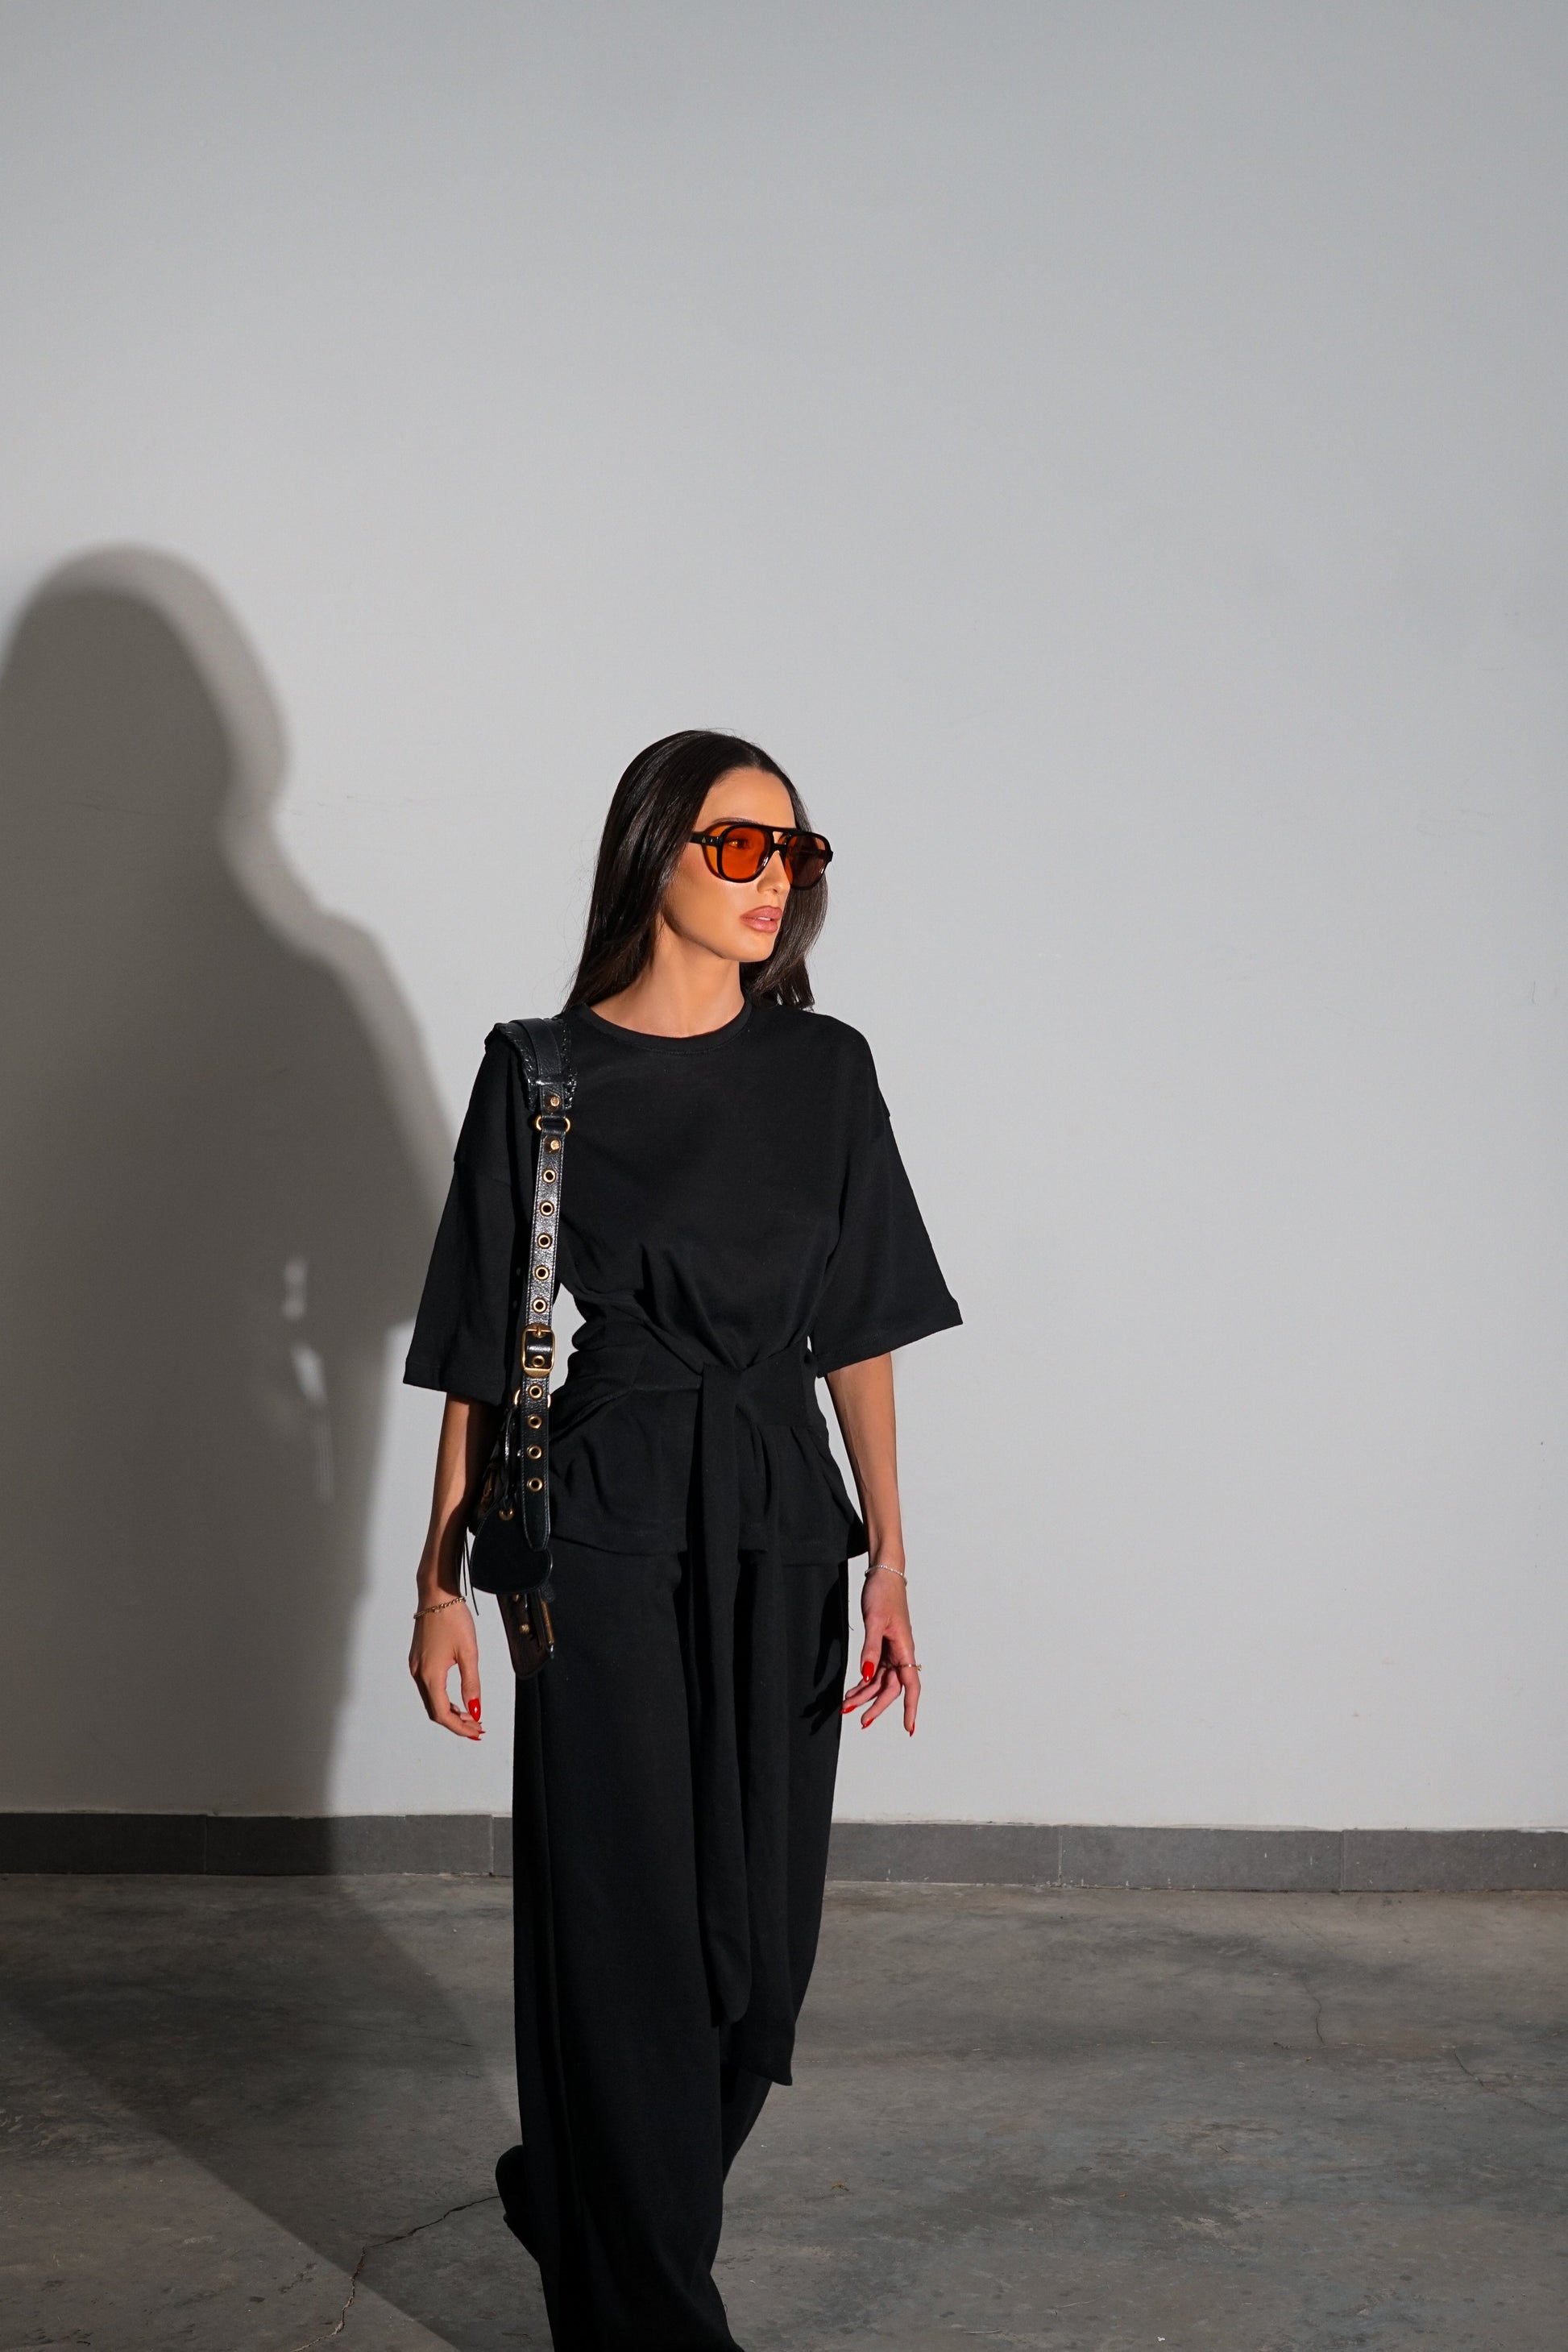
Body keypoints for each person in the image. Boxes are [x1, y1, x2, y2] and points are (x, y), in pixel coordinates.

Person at [403, 730, 961, 2350]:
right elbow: (484, 1347)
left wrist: (892, 1557)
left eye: (794, 850)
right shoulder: (542, 1073)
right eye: (736, 844)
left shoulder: (826, 1070)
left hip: (780, 1515)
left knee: (756, 1956)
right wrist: (438, 1583)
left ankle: (577, 2192)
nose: (772, 878)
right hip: (607, 1522)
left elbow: (861, 1323)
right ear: (652, 852)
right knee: (628, 1932)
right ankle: (646, 2312)